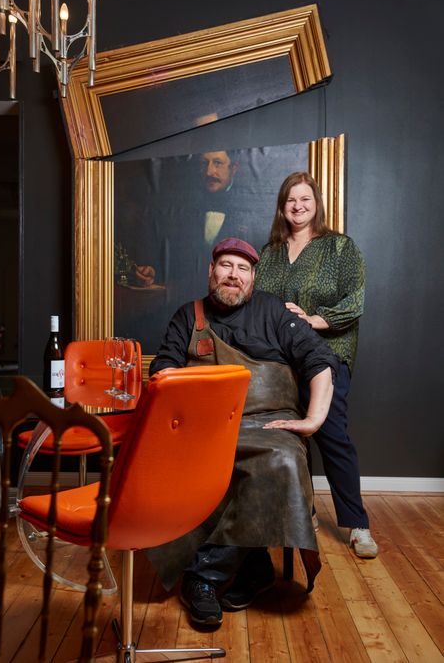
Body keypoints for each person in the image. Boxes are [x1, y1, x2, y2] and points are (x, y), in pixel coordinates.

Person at [148, 236, 339, 628]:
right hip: (206, 427)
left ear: (253, 277)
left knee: (281, 458)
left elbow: (320, 360)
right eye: (226, 265)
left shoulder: (274, 312)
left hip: (269, 422)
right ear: (211, 271)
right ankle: (254, 565)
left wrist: (313, 420)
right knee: (175, 462)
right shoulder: (189, 316)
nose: (233, 275)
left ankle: (204, 577)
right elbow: (163, 368)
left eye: (243, 268)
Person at [254, 171, 378, 560]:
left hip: (327, 353)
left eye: (305, 199)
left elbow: (354, 302)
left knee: (331, 433)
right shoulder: (269, 252)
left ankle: (357, 524)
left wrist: (310, 320)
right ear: (282, 206)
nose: (298, 206)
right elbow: (257, 303)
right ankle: (301, 512)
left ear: (316, 204)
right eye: (291, 200)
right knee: (286, 435)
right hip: (280, 359)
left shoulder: (340, 247)